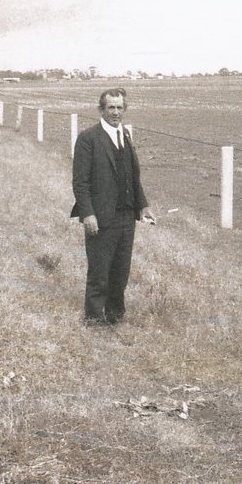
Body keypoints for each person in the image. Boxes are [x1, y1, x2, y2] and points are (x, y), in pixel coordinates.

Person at [70, 88, 156, 325]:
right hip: (100, 218)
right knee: (99, 272)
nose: (116, 112)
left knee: (120, 271)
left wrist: (143, 206)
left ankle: (115, 315)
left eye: (119, 107)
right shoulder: (88, 139)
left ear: (124, 109)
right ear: (101, 110)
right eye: (111, 107)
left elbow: (132, 177)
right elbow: (80, 182)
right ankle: (94, 318)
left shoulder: (125, 136)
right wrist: (88, 213)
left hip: (127, 218)